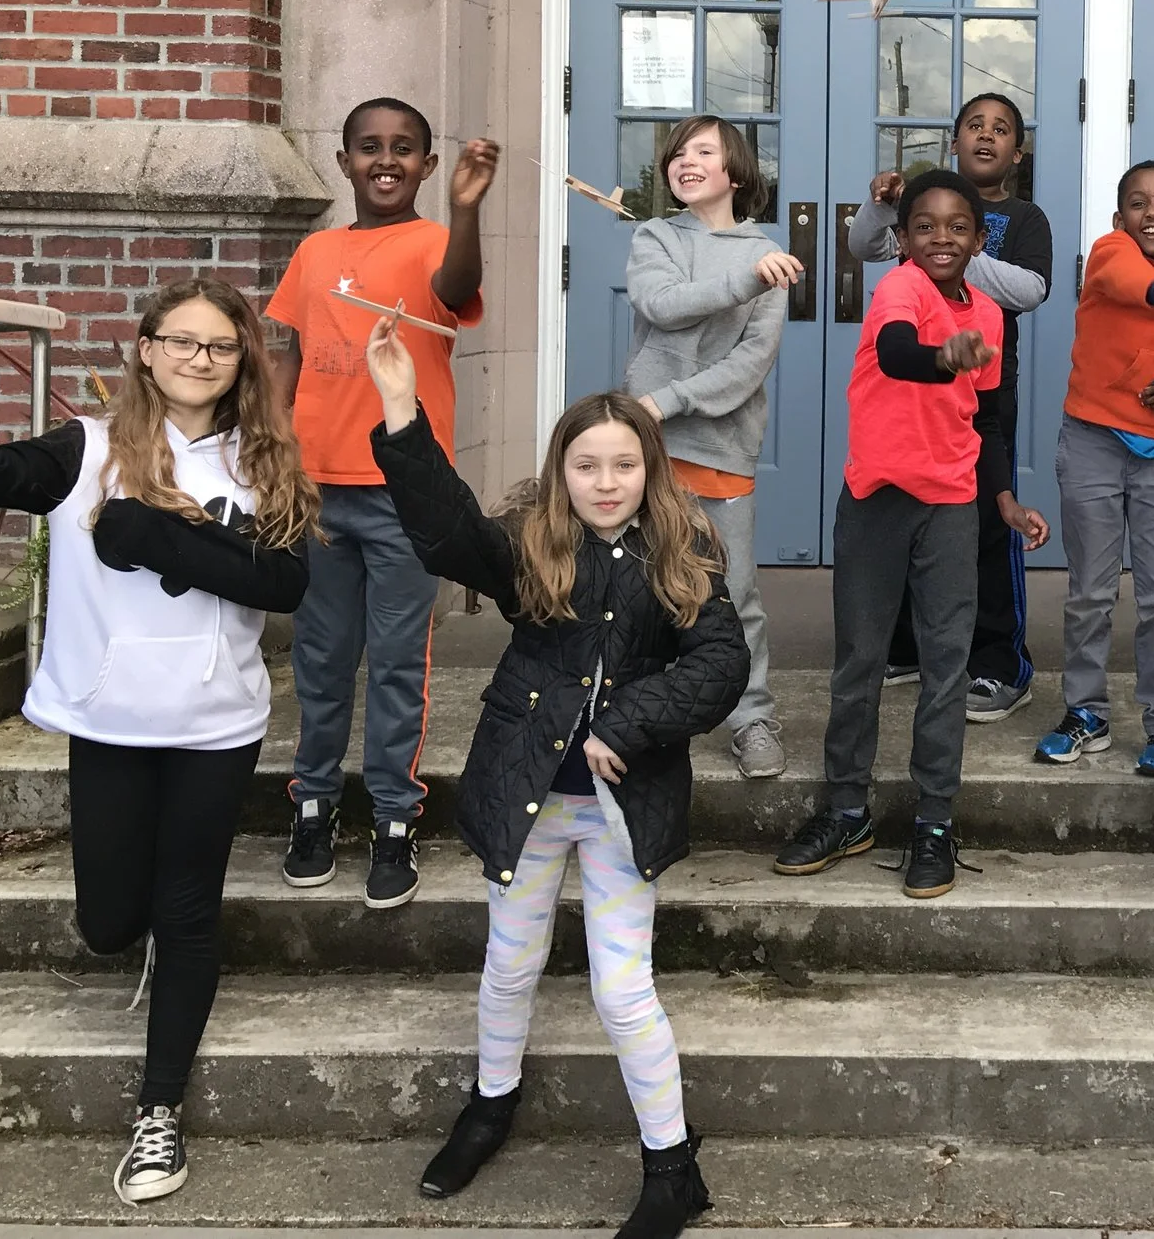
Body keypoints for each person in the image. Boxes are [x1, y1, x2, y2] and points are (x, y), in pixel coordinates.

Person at [0, 277, 315, 1204]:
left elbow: (285, 583)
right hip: (110, 718)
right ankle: (142, 942)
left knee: (187, 912)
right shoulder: (86, 450)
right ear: (145, 348)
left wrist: (155, 535)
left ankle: (158, 1112)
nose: (198, 359)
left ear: (241, 361)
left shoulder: (263, 461)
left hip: (214, 724)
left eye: (220, 345)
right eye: (180, 340)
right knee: (107, 923)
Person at [361, 316, 747, 1239]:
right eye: (586, 465)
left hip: (620, 808)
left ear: (649, 467)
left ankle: (672, 1167)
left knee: (623, 989)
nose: (605, 482)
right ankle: (490, 1105)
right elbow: (448, 535)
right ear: (561, 470)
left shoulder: (682, 550)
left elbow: (722, 660)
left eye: (623, 464)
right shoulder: (531, 542)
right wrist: (402, 409)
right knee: (509, 965)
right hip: (527, 797)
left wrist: (628, 720)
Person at [777, 169, 1047, 899]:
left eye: (958, 227)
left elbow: (987, 421)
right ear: (902, 238)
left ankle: (934, 821)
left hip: (952, 505)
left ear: (980, 239)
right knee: (860, 660)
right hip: (877, 503)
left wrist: (1005, 499)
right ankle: (846, 809)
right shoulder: (900, 288)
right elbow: (898, 353)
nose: (941, 238)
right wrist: (941, 358)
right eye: (924, 226)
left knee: (946, 665)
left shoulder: (987, 314)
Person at [270, 97, 499, 907]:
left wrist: (466, 210)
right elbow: (293, 355)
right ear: (344, 162)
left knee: (400, 662)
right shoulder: (315, 250)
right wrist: (273, 449)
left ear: (428, 166)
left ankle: (395, 816)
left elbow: (457, 288)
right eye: (370, 146)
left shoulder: (435, 241)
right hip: (319, 492)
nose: (387, 159)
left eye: (404, 147)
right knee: (322, 658)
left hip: (404, 496)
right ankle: (313, 804)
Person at [847, 92, 1054, 723]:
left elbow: (1031, 289)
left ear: (1017, 152)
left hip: (981, 389)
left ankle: (999, 663)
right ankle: (908, 647)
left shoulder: (1023, 217)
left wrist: (951, 254)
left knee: (984, 523)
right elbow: (863, 245)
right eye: (974, 126)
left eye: (1001, 129)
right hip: (907, 400)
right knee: (908, 521)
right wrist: (884, 207)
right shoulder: (920, 212)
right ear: (954, 139)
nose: (986, 136)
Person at [624, 115, 801, 781]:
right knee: (638, 586)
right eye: (678, 152)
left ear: (736, 170)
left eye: (704, 150)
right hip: (649, 449)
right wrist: (745, 280)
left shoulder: (766, 253)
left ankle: (751, 717)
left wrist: (668, 400)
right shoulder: (657, 237)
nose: (686, 161)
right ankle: (632, 711)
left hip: (721, 446)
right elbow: (663, 303)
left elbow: (748, 365)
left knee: (733, 591)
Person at [1035, 161, 1154, 778]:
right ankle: (1086, 712)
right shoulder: (1109, 253)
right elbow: (1136, 284)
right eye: (1138, 203)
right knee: (1091, 592)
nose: (1152, 212)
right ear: (1120, 218)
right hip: (1092, 439)